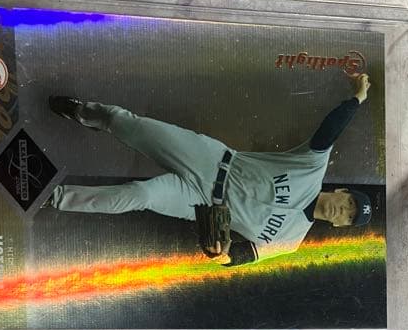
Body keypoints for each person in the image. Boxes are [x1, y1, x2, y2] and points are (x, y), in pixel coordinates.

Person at [45, 73, 373, 266]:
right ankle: (85, 113)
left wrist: (222, 256)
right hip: (212, 159)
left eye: (348, 216)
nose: (343, 210)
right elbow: (329, 131)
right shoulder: (311, 169)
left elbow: (244, 256)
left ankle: (53, 197)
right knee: (130, 125)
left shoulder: (291, 241)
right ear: (341, 191)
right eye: (349, 203)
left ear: (339, 226)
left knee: (140, 195)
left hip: (199, 202)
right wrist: (356, 99)